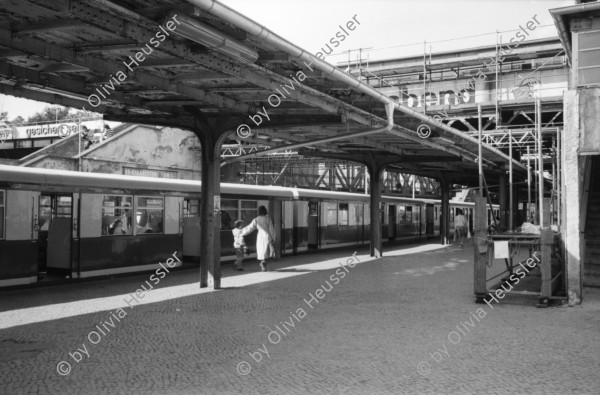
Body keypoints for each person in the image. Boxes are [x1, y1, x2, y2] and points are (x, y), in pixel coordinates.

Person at [242, 206, 276, 272]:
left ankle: (262, 262)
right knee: (266, 251)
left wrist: (242, 232)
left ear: (258, 211)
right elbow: (271, 229)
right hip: (267, 235)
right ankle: (264, 262)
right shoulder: (268, 218)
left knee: (261, 250)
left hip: (260, 236)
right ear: (265, 210)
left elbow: (250, 228)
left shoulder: (256, 219)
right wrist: (273, 237)